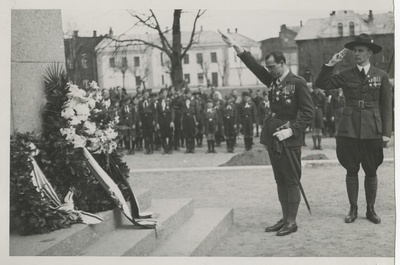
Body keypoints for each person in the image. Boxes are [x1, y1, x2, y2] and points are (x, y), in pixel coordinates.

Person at [220, 30, 314, 236]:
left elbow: (308, 114)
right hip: (273, 137)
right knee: (280, 179)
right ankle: (284, 217)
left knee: (291, 179)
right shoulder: (273, 80)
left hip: (289, 139)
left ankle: (292, 221)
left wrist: (291, 130)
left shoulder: (297, 83)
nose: (269, 70)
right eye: (268, 67)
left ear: (283, 62)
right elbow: (253, 66)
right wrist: (235, 45)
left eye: (272, 67)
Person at [315, 33, 392, 224]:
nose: (356, 54)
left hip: (372, 129)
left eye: (360, 51)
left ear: (369, 53)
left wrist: (386, 133)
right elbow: (321, 84)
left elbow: (386, 106)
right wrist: (331, 64)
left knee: (371, 170)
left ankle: (370, 209)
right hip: (348, 129)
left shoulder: (381, 76)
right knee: (351, 169)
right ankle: (353, 208)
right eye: (354, 51)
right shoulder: (346, 74)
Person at [180, 88, 200, 154]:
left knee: (192, 133)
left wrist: (197, 120)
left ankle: (192, 147)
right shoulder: (182, 101)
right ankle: (188, 148)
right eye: (186, 93)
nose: (188, 95)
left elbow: (197, 111)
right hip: (185, 117)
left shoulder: (194, 101)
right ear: (185, 94)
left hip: (192, 117)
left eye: (189, 93)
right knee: (186, 133)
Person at [308, 84, 327, 150]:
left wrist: (324, 115)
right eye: (314, 89)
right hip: (312, 111)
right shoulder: (310, 95)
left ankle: (319, 145)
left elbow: (325, 106)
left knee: (319, 129)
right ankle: (314, 145)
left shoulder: (322, 95)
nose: (315, 90)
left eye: (316, 88)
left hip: (319, 111)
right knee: (313, 128)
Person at [156, 88, 175, 154]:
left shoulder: (170, 100)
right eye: (163, 93)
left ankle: (170, 148)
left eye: (165, 93)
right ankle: (165, 148)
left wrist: (172, 121)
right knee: (162, 134)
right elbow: (157, 112)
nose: (164, 94)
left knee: (170, 134)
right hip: (161, 118)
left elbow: (172, 111)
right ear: (161, 94)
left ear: (167, 93)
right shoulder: (158, 101)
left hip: (168, 117)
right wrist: (157, 122)